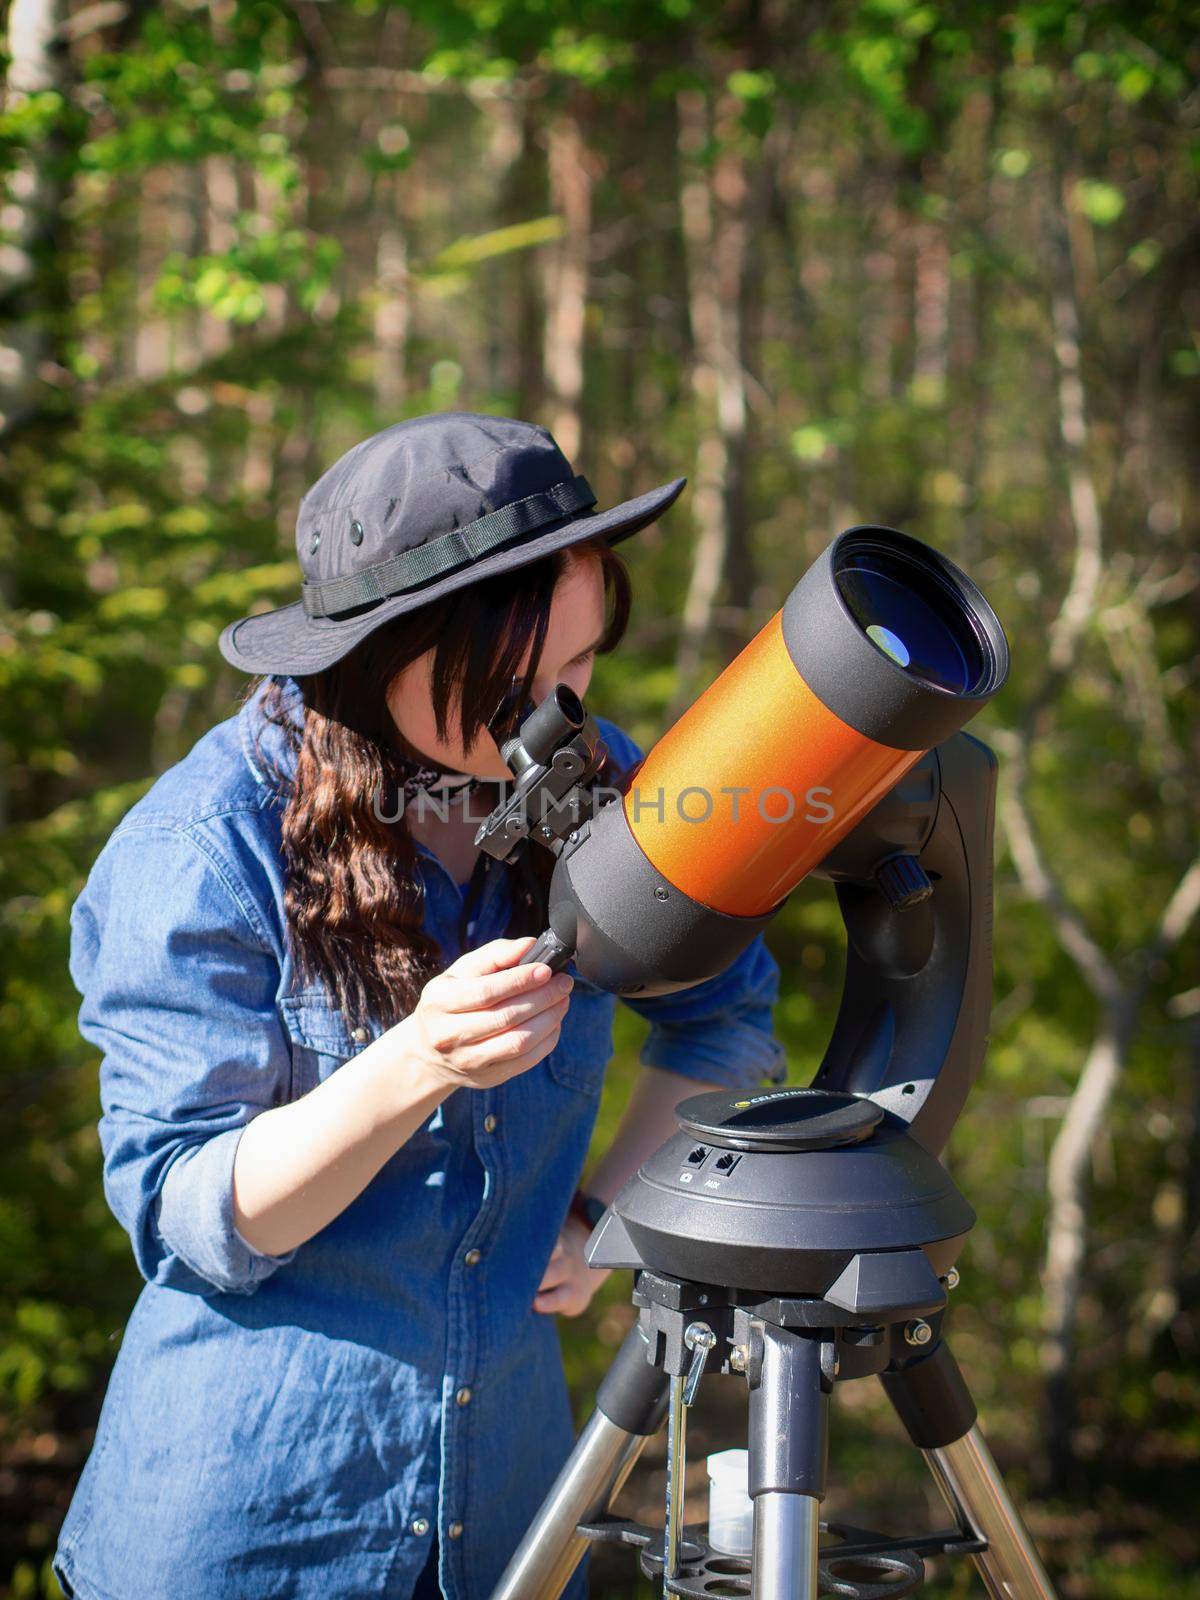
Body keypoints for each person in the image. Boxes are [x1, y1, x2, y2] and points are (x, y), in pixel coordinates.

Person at [53, 413, 785, 1600]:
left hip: (513, 1513)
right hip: (251, 1526)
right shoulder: (201, 847)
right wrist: (416, 1064)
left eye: (583, 669)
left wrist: (607, 1218)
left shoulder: (600, 792)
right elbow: (193, 1212)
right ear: (384, 645)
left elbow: (725, 1016)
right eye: (509, 684)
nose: (557, 718)